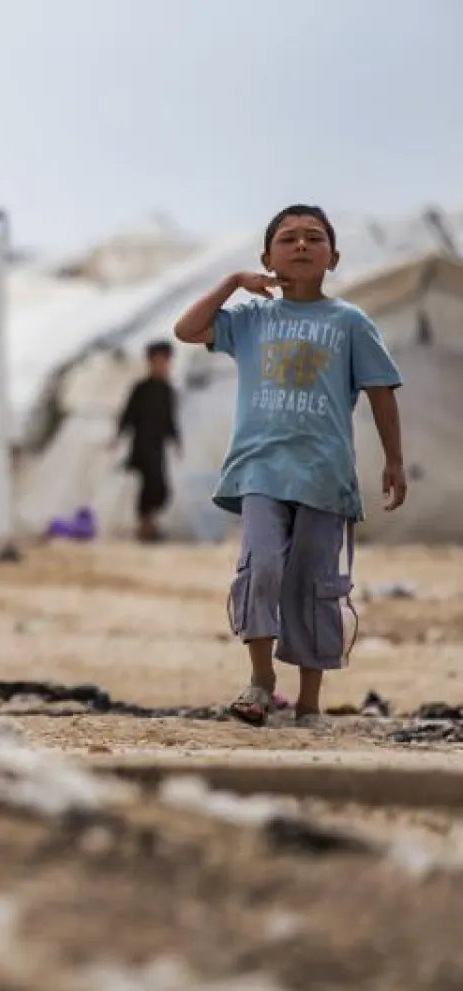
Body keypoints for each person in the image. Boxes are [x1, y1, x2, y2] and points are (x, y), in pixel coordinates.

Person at [171, 204, 407, 728]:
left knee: (314, 583)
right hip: (260, 469)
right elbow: (187, 329)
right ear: (266, 257)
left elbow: (381, 391)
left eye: (314, 238)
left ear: (334, 256)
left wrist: (394, 459)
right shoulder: (251, 320)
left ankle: (309, 703)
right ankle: (260, 680)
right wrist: (233, 281)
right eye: (288, 238)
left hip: (325, 475)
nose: (301, 245)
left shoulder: (350, 322)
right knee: (263, 568)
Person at [111, 340, 182, 542]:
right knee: (148, 485)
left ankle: (150, 523)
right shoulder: (141, 389)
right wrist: (118, 436)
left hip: (158, 446)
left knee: (159, 487)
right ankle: (145, 526)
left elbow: (170, 420)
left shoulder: (168, 390)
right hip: (142, 445)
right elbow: (127, 414)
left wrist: (176, 441)